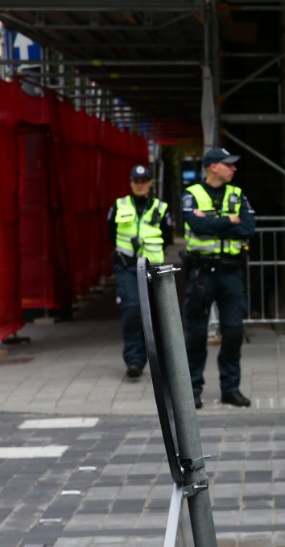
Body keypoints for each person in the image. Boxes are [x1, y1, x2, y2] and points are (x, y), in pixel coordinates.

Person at [180, 147, 256, 409]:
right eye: (229, 164)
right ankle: (193, 390)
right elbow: (195, 226)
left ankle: (230, 389)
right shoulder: (192, 195)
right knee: (197, 334)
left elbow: (248, 228)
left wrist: (214, 220)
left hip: (231, 272)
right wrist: (228, 221)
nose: (234, 169)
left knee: (234, 332)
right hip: (202, 273)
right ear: (214, 166)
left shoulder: (237, 194)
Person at [107, 164, 172, 379]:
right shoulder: (119, 206)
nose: (141, 185)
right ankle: (134, 360)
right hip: (127, 267)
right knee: (132, 310)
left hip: (151, 269)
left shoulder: (161, 208)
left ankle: (155, 359)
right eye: (137, 181)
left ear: (151, 183)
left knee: (153, 313)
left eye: (144, 181)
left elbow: (168, 236)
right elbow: (110, 233)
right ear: (131, 183)